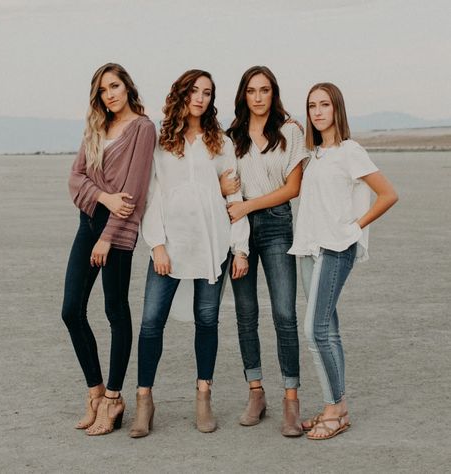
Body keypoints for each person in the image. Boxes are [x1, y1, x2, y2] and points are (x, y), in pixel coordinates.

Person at [129, 69, 249, 437]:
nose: (200, 98)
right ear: (181, 95)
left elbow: (234, 197)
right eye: (194, 91)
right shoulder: (162, 140)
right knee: (151, 323)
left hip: (212, 245)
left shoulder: (220, 141)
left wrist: (240, 248)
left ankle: (203, 396)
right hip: (172, 245)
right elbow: (152, 195)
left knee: (207, 319)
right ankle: (144, 401)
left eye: (208, 93)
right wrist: (158, 245)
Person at [289, 82, 398, 440]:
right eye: (311, 106)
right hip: (308, 248)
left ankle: (337, 409)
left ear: (337, 109)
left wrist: (354, 227)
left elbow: (388, 194)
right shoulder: (314, 155)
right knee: (327, 329)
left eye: (324, 105)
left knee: (314, 329)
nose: (317, 112)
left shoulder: (350, 151)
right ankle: (334, 406)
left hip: (335, 248)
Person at [61, 63, 156, 436]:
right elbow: (76, 177)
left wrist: (108, 235)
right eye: (103, 90)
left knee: (115, 310)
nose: (110, 94)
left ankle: (115, 398)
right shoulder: (97, 127)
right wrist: (101, 196)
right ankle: (96, 392)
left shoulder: (143, 129)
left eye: (114, 86)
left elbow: (133, 191)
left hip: (116, 232)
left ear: (127, 87)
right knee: (71, 310)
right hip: (88, 223)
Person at [221, 65, 308, 436]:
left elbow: (292, 189)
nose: (258, 97)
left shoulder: (290, 131)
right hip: (238, 229)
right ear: (243, 95)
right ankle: (256, 392)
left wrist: (246, 206)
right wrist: (227, 189)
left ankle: (291, 400)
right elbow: (224, 185)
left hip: (275, 224)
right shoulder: (230, 137)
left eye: (265, 90)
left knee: (285, 313)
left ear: (274, 93)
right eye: (252, 91)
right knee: (245, 313)